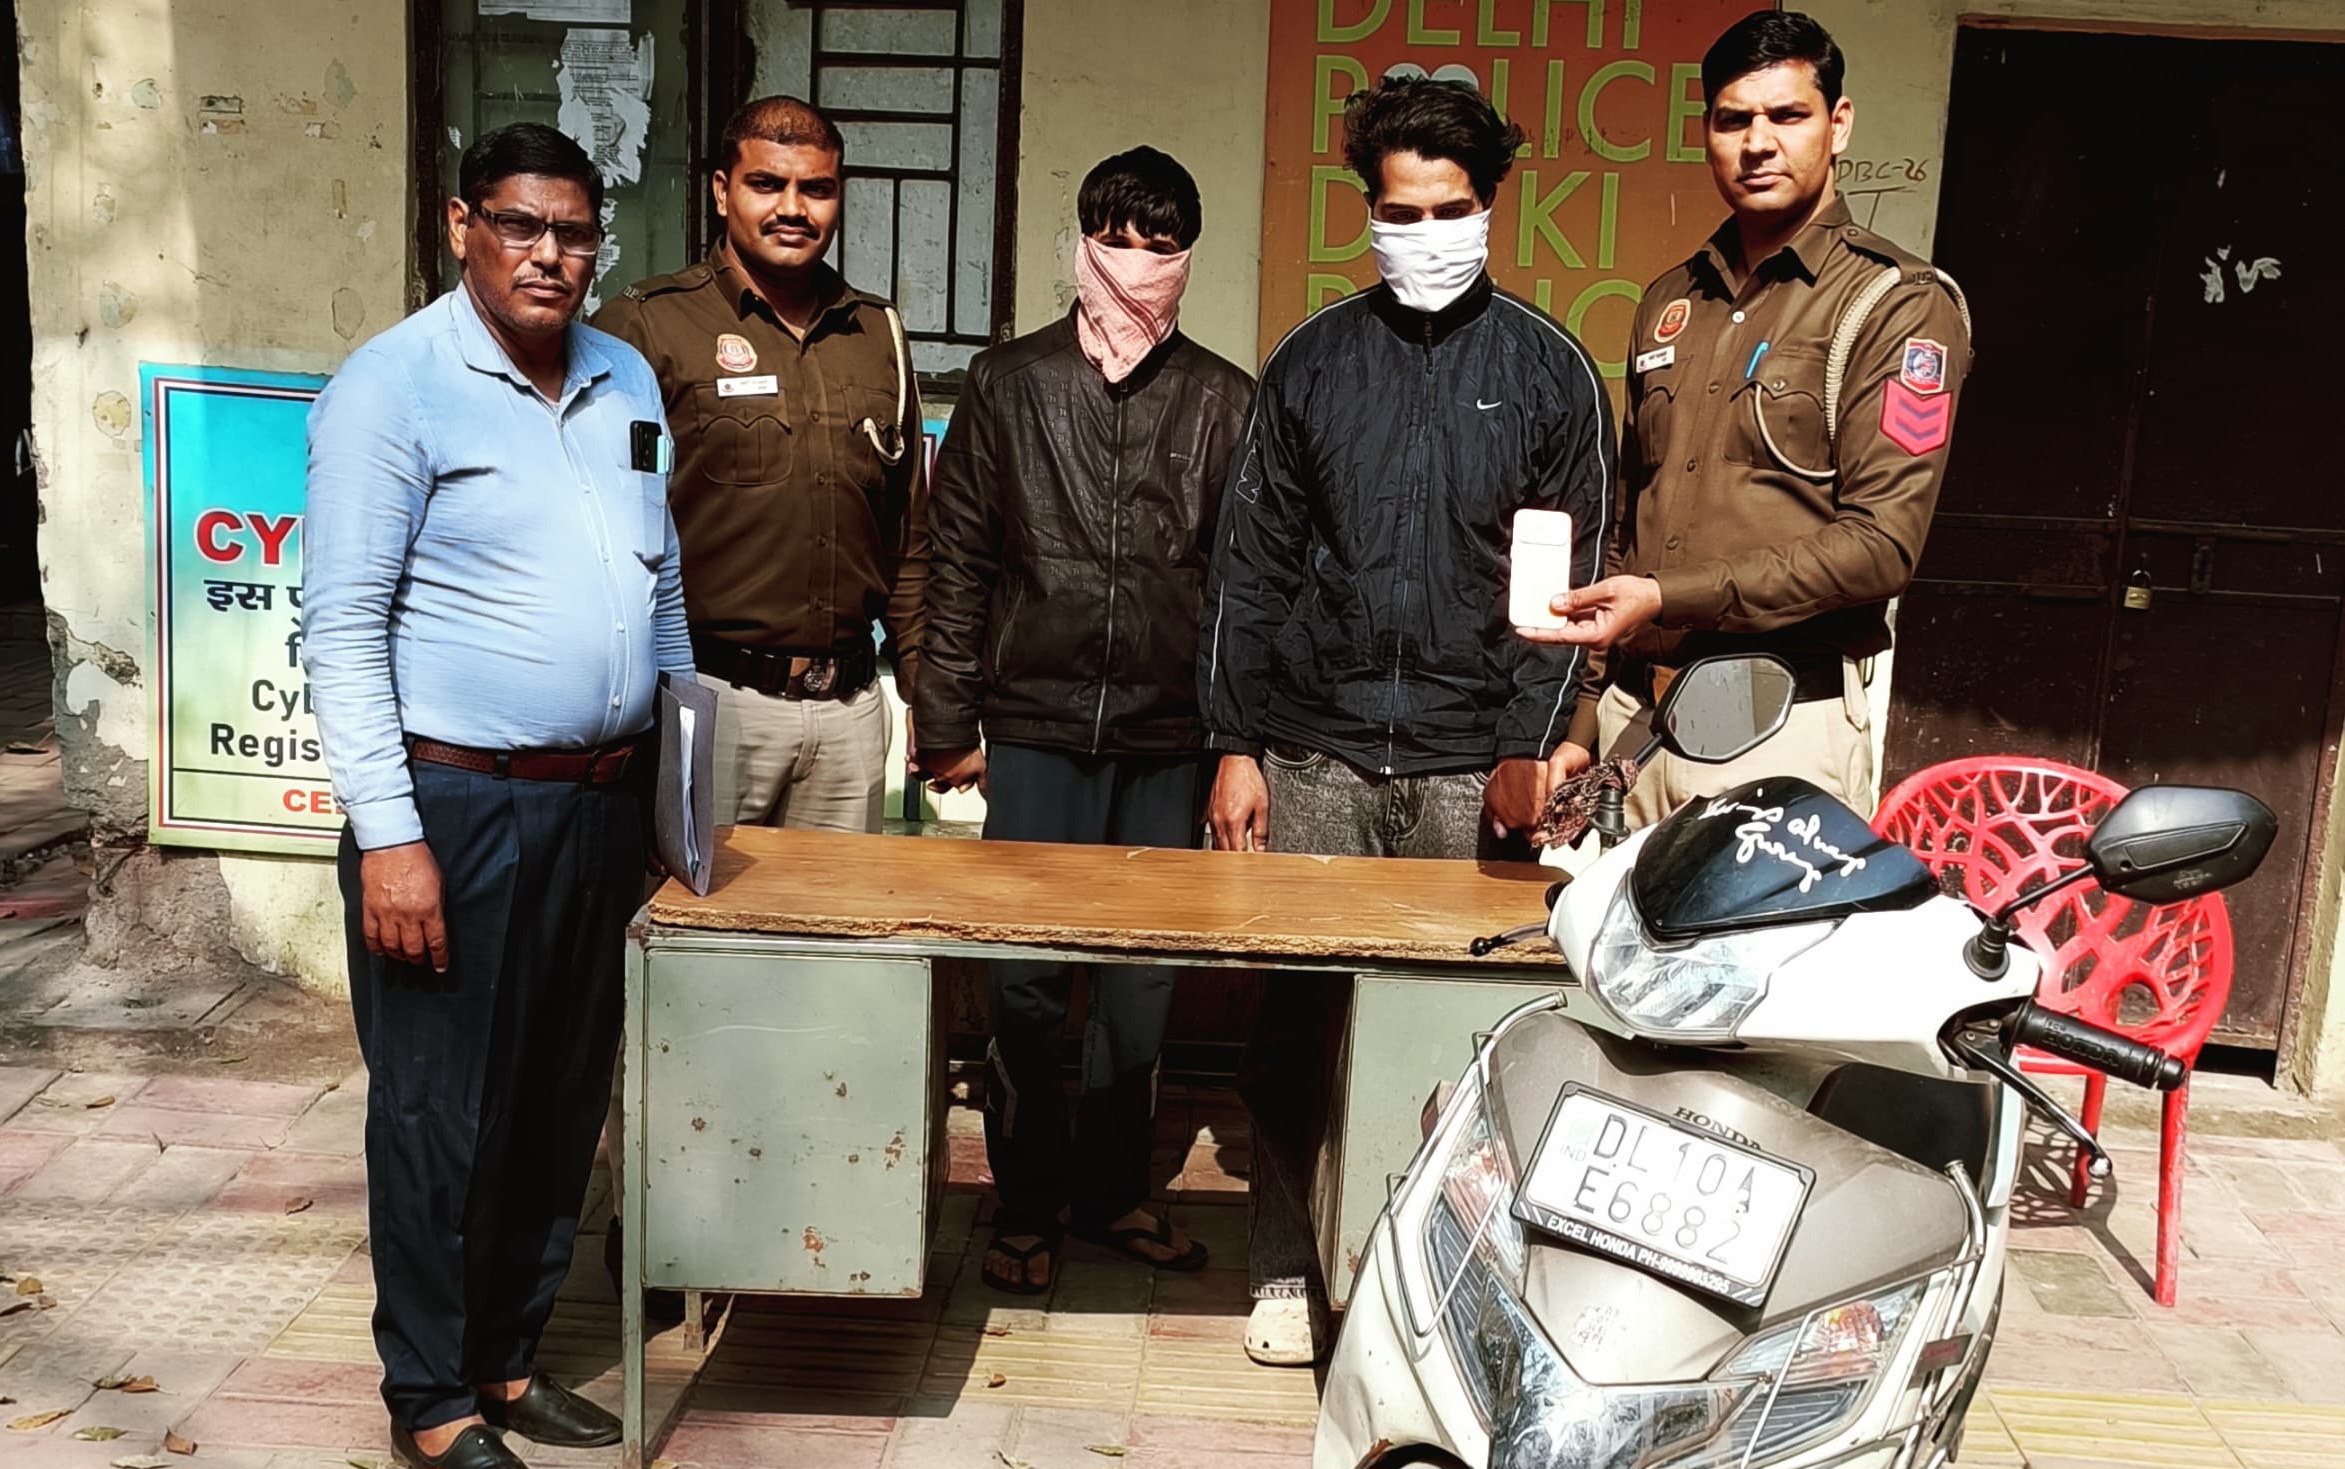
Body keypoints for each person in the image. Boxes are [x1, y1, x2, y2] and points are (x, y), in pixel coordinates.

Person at [1197, 77, 1613, 1365]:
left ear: (1488, 207)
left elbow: (1565, 586)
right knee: (1296, 1028)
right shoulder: (1312, 360)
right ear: (1366, 211)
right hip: (1315, 751)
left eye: (1447, 209)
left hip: (1463, 767)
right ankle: (1283, 1265)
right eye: (1398, 211)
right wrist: (1235, 742)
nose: (1423, 233)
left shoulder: (1548, 373)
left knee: (1467, 1045)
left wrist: (1524, 745)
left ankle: (1429, 1282)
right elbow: (1250, 567)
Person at [304, 123, 690, 1469]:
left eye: (574, 232)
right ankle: (430, 1398)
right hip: (453, 807)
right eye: (520, 226)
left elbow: (661, 584)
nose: (549, 255)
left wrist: (673, 790)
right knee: (438, 1110)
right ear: (462, 226)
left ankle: (509, 1358)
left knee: (556, 1095)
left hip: (599, 802)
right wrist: (390, 839)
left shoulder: (625, 373)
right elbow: (342, 628)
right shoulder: (392, 387)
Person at [915, 147, 1252, 1295]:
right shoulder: (1008, 383)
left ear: (1186, 259)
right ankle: (1023, 1201)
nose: (1135, 264)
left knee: (1141, 985)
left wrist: (1234, 743)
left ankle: (1112, 1192)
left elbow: (1242, 590)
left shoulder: (1224, 399)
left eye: (1161, 244)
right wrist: (945, 715)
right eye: (1116, 238)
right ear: (1079, 241)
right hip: (1035, 727)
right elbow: (958, 557)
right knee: (1022, 981)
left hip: (1166, 739)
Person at [1527, 10, 1973, 824]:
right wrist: (1585, 719)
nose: (1757, 143)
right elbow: (1631, 518)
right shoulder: (1670, 300)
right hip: (1636, 722)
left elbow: (1880, 548)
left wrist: (1665, 595)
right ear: (1706, 133)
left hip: (1778, 721)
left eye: (1786, 115)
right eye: (1733, 120)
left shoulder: (1896, 303)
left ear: (1838, 125)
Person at [596, 95, 927, 837]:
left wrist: (925, 693)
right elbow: (599, 528)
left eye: (816, 189)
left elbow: (906, 537)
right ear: (722, 191)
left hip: (850, 713)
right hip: (711, 697)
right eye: (767, 185)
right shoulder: (648, 325)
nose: (793, 209)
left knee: (834, 913)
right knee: (697, 907)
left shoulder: (878, 333)